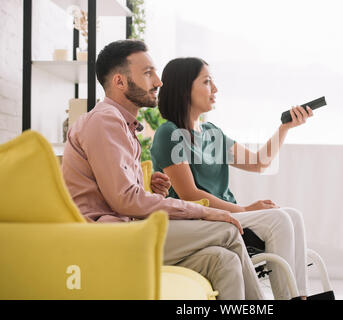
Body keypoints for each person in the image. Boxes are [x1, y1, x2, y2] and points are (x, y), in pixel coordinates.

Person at [61, 40, 265, 300]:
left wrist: (147, 188)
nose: (158, 81)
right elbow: (124, 200)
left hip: (127, 229)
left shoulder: (123, 125)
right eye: (148, 73)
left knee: (223, 260)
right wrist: (203, 211)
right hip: (110, 239)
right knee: (226, 230)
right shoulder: (105, 121)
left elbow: (115, 193)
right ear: (120, 82)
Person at [150, 57, 314, 300]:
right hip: (200, 221)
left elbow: (260, 162)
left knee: (293, 216)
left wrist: (284, 128)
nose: (215, 89)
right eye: (206, 82)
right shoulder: (170, 133)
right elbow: (190, 195)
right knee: (279, 219)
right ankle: (285, 299)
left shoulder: (211, 133)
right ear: (184, 89)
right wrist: (244, 209)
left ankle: (300, 297)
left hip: (228, 215)